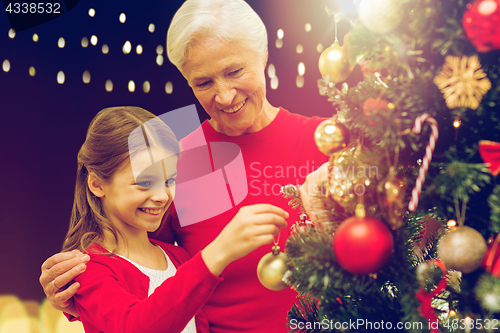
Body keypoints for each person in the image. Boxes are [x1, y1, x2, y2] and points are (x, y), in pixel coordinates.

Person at [40, 1, 328, 332]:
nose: (224, 96)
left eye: (235, 71)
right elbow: (141, 271)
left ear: (263, 56)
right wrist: (75, 296)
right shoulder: (174, 164)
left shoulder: (329, 143)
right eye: (203, 83)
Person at [60, 106, 288, 333]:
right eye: (145, 182)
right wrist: (219, 251)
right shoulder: (88, 269)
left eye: (169, 181)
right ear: (97, 184)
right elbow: (135, 327)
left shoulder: (177, 257)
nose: (162, 196)